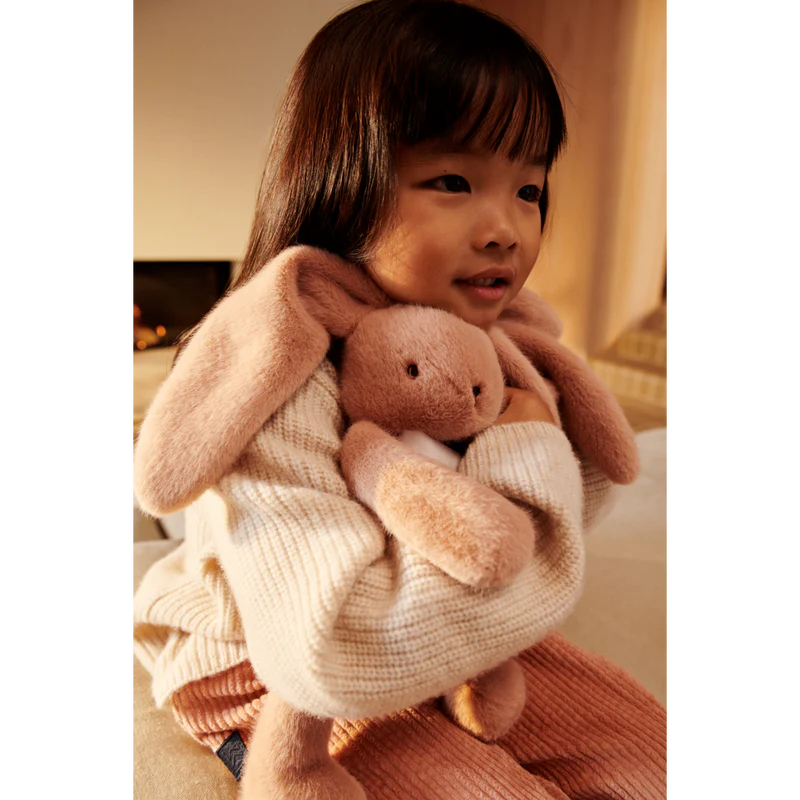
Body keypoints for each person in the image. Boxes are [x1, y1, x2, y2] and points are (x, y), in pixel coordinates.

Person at [129, 1, 669, 798]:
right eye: (453, 181)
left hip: (458, 638)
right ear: (339, 185)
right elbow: (331, 650)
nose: (507, 229)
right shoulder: (284, 380)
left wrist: (537, 436)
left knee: (651, 761)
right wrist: (524, 455)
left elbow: (571, 514)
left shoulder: (495, 342)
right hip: (274, 670)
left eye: (529, 188)